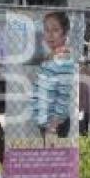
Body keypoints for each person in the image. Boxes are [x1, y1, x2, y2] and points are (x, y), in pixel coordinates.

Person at [31, 11, 73, 140]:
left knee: (54, 159)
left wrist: (53, 125)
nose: (50, 35)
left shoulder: (63, 60)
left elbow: (64, 95)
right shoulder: (51, 57)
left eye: (55, 30)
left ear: (64, 33)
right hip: (46, 123)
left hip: (54, 126)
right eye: (47, 30)